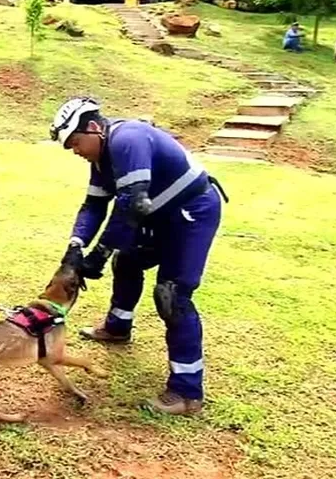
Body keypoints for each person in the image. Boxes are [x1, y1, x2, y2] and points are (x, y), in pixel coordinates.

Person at [50, 97, 228, 415]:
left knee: (172, 296)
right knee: (127, 261)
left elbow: (131, 203)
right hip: (157, 216)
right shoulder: (101, 160)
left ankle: (187, 393)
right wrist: (75, 248)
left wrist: (100, 253)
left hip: (192, 213)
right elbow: (94, 206)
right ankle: (118, 327)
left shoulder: (128, 139)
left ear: (94, 128)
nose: (75, 151)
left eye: (75, 142)